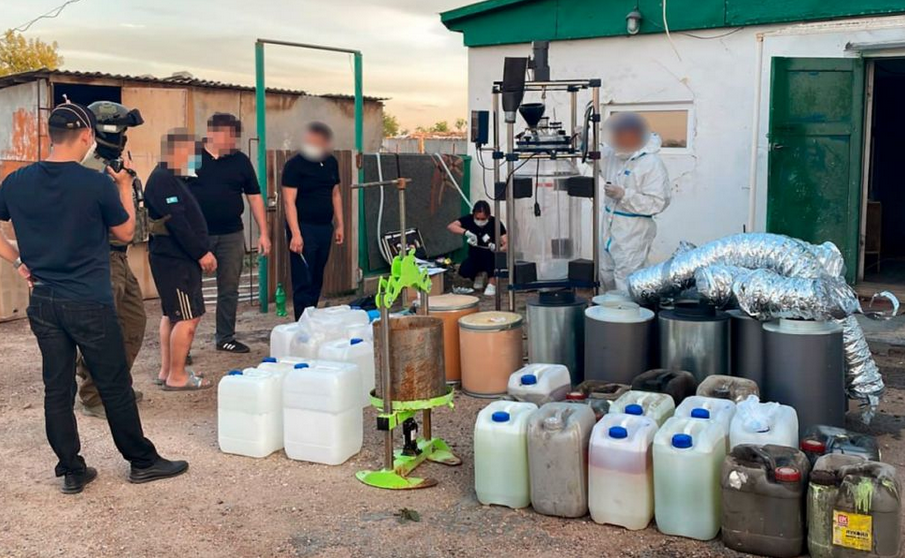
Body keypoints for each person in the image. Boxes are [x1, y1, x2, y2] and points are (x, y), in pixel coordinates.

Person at [0, 103, 187, 493]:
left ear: (51, 135)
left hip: (44, 301)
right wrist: (123, 187)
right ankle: (142, 461)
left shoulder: (16, 182)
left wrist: (18, 261)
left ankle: (71, 470)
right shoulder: (96, 184)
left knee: (57, 389)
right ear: (87, 135)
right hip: (89, 301)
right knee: (114, 384)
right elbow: (125, 233)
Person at [75, 101, 148, 419]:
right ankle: (94, 395)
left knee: (133, 322)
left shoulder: (114, 166)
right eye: (123, 130)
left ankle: (114, 385)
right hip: (100, 258)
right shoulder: (90, 169)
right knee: (105, 331)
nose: (126, 137)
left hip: (119, 258)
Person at [188, 113, 270, 353]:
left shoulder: (240, 160)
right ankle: (182, 346)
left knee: (229, 289)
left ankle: (225, 337)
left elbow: (254, 197)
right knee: (189, 289)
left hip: (231, 234)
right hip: (196, 236)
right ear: (213, 133)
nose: (234, 142)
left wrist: (264, 233)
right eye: (230, 136)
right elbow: (173, 193)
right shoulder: (190, 156)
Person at [145, 129, 215, 391]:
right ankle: (177, 376)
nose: (196, 158)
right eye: (193, 152)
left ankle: (168, 371)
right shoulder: (163, 179)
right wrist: (201, 252)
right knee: (188, 317)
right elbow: (178, 223)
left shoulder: (171, 178)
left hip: (174, 259)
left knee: (173, 315)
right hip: (175, 260)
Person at [599, 112, 671, 292]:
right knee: (606, 272)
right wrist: (583, 140)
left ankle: (628, 310)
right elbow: (596, 158)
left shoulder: (651, 163)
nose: (619, 139)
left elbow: (657, 202)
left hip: (634, 229)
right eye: (617, 134)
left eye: (624, 135)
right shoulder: (615, 154)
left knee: (627, 277)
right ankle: (608, 308)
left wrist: (624, 195)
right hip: (610, 225)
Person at [281, 122, 344, 320]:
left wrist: (340, 224)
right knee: (304, 278)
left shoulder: (331, 163)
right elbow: (289, 201)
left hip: (324, 227)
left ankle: (312, 315)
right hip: (303, 227)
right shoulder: (294, 165)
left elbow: (335, 194)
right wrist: (296, 234)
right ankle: (301, 321)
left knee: (317, 276)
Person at [447, 200, 507, 297]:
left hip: (490, 256)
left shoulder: (495, 222)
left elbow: (507, 243)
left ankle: (492, 283)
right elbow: (451, 226)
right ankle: (478, 275)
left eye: (483, 219)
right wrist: (466, 232)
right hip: (475, 255)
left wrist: (498, 248)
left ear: (488, 216)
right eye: (477, 218)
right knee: (464, 269)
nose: (480, 221)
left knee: (491, 259)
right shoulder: (469, 219)